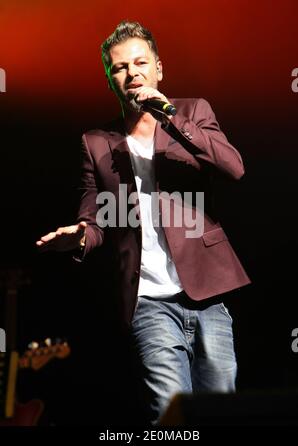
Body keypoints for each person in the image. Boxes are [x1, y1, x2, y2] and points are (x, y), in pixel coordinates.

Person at [36, 21, 250, 425]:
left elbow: (234, 168)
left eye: (140, 63)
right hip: (148, 302)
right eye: (119, 67)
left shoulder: (192, 111)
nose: (131, 72)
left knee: (223, 413)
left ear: (158, 70)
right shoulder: (96, 142)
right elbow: (96, 219)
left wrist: (170, 116)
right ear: (109, 80)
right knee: (171, 416)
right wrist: (81, 236)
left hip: (207, 293)